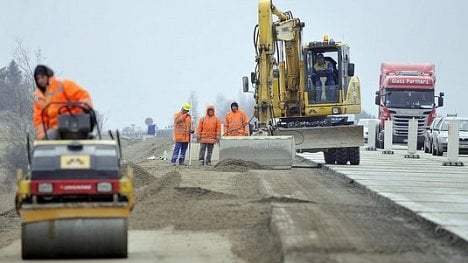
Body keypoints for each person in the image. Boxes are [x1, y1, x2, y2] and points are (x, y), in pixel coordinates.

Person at [33, 65, 93, 139]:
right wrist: (42, 138)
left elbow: (83, 96)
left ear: (48, 75)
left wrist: (85, 107)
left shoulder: (65, 85)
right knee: (48, 139)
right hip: (55, 129)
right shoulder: (39, 97)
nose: (40, 81)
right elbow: (39, 119)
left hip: (75, 122)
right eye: (38, 78)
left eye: (42, 77)